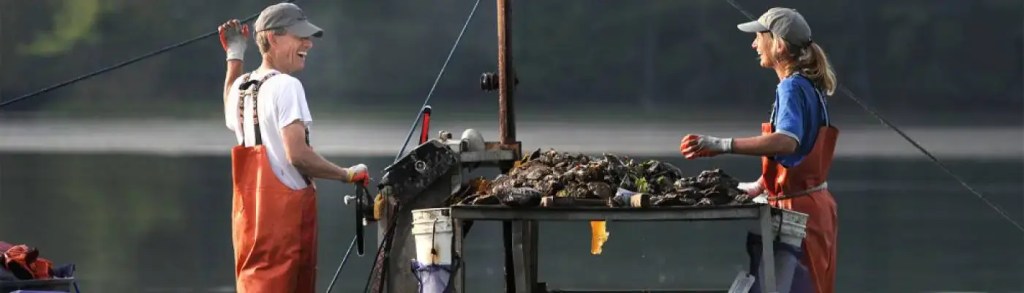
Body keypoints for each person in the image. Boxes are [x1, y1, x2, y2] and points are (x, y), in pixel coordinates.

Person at [678, 7, 839, 293]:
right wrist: (761, 185)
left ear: (778, 44)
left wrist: (722, 145)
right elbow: (799, 159)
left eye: (759, 36)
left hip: (799, 212)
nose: (754, 44)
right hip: (815, 207)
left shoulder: (791, 87)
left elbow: (787, 142)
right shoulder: (807, 86)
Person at [217, 3, 370, 292]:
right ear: (273, 38)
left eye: (308, 38)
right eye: (299, 37)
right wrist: (347, 174)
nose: (308, 44)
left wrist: (234, 54)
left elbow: (229, 97)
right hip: (282, 226)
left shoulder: (242, 87)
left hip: (249, 223)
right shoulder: (286, 86)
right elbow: (298, 156)